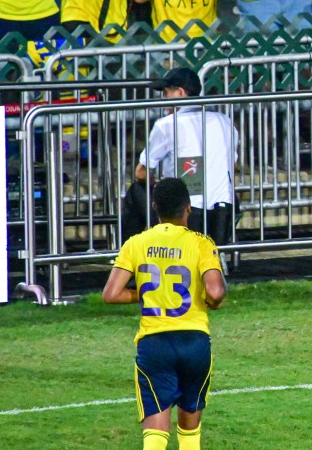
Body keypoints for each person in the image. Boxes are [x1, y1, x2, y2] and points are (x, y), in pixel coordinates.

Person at [103, 177, 227, 450]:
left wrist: (145, 293)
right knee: (190, 431)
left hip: (155, 343)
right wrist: (212, 302)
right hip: (194, 342)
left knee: (156, 436)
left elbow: (111, 294)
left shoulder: (136, 243)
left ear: (155, 207)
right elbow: (216, 293)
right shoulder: (201, 243)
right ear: (189, 208)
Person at [136, 67, 239, 246]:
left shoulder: (166, 124)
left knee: (135, 191)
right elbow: (232, 162)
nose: (164, 99)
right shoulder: (224, 120)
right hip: (224, 212)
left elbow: (141, 172)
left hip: (183, 215)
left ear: (180, 92)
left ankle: (126, 257)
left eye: (166, 93)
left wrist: (160, 182)